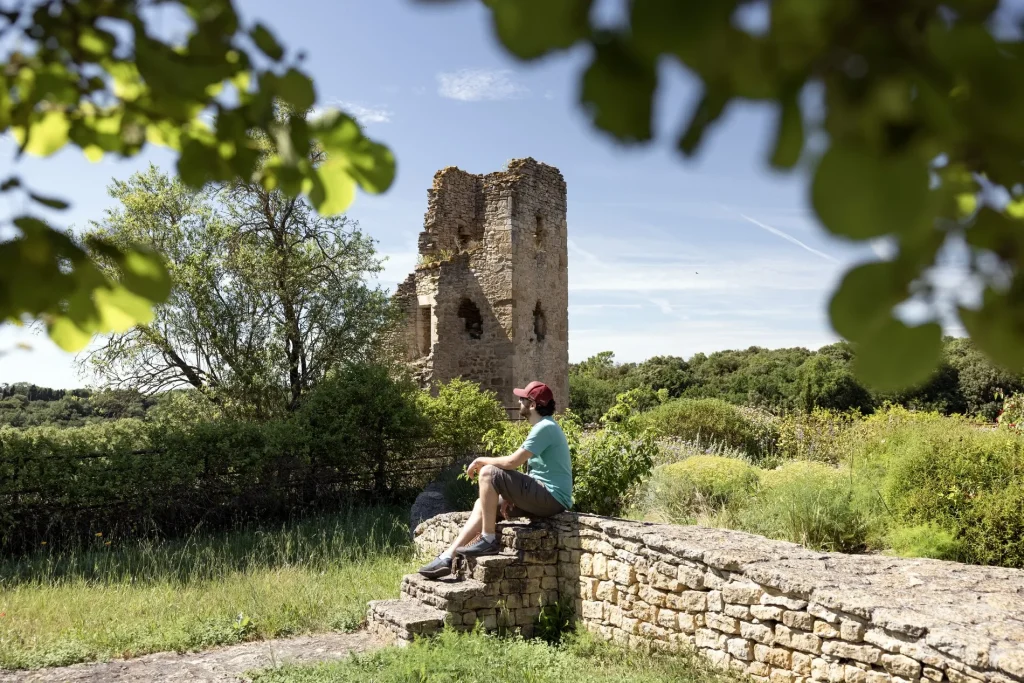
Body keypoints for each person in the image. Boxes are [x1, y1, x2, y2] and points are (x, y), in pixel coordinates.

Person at [418, 380, 573, 579]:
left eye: (522, 399)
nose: (518, 401)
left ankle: (488, 539)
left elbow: (512, 462)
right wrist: (512, 495)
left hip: (552, 498)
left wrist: (481, 460)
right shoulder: (544, 427)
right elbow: (536, 473)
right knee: (482, 503)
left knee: (488, 473)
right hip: (545, 496)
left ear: (532, 405)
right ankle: (448, 556)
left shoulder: (545, 428)